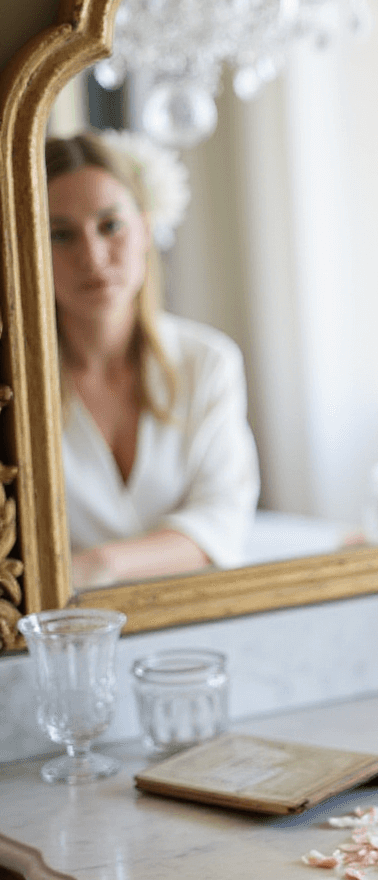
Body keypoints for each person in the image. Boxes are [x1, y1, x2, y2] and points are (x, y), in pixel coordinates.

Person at [45, 132, 259, 587]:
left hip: (195, 617)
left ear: (145, 228)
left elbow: (223, 523)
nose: (92, 256)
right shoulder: (14, 388)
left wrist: (100, 564)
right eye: (61, 235)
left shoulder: (207, 362)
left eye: (110, 225)